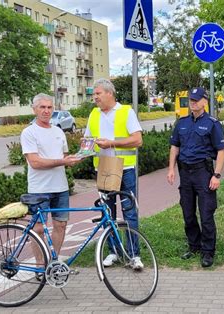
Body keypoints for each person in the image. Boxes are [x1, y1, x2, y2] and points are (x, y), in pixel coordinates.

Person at [84, 78, 143, 269]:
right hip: (102, 168)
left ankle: (134, 255)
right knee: (107, 213)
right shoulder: (93, 114)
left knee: (129, 213)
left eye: (98, 94)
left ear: (110, 93)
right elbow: (87, 140)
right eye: (94, 94)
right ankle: (113, 252)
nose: (95, 98)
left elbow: (137, 140)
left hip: (124, 169)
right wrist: (83, 149)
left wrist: (111, 143)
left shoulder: (126, 112)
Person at [167, 87, 224, 267]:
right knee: (188, 212)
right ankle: (194, 246)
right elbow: (174, 147)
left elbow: (222, 150)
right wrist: (171, 169)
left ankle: (208, 252)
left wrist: (216, 175)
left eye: (196, 100)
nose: (192, 103)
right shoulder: (182, 122)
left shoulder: (212, 123)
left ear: (204, 102)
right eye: (191, 100)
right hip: (185, 173)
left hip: (204, 173)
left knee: (206, 213)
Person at [21, 93, 80, 267]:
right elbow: (35, 162)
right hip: (39, 189)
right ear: (34, 109)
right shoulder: (29, 132)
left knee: (60, 225)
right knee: (38, 229)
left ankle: (53, 263)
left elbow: (64, 157)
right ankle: (40, 265)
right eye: (42, 107)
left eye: (49, 107)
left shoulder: (58, 131)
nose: (46, 111)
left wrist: (76, 159)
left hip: (60, 187)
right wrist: (63, 161)